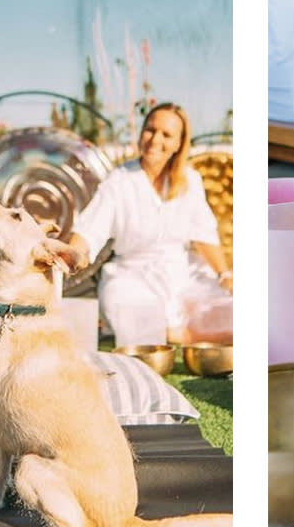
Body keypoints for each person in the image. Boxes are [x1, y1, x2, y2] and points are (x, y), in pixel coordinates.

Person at [68, 103, 232, 347]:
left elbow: (204, 235)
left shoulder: (191, 180)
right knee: (127, 308)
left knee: (235, 309)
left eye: (166, 135)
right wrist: (71, 254)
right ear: (141, 133)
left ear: (178, 143)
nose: (155, 139)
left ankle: (177, 333)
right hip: (131, 275)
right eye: (150, 130)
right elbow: (89, 230)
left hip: (183, 273)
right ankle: (178, 335)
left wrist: (225, 275)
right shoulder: (120, 180)